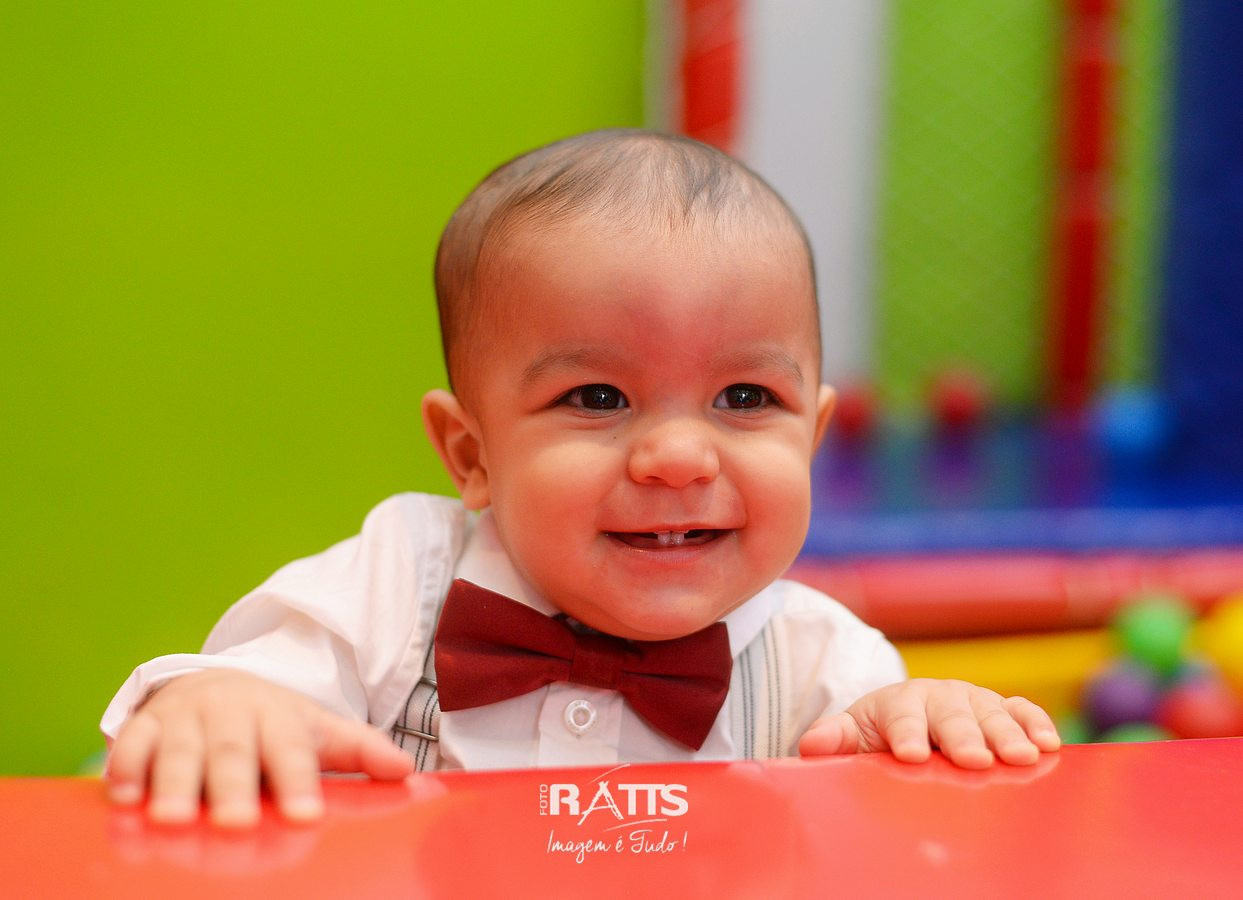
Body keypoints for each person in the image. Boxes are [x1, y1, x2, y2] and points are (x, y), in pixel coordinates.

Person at [102, 129, 1060, 828]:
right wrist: (222, 707)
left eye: (743, 396)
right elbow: (236, 700)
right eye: (598, 398)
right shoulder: (397, 583)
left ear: (809, 439)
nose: (678, 456)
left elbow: (885, 842)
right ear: (471, 455)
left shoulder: (823, 664)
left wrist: (920, 726)